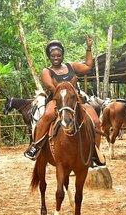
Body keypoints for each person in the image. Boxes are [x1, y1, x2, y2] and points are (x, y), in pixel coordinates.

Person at [24, 36, 104, 166]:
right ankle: (36, 146)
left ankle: (94, 152)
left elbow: (88, 66)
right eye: (53, 56)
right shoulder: (47, 71)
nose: (56, 58)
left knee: (95, 120)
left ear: (62, 55)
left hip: (75, 100)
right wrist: (64, 96)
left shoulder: (70, 66)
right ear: (49, 56)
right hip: (57, 100)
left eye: (58, 55)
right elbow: (50, 86)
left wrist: (88, 48)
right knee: (47, 116)